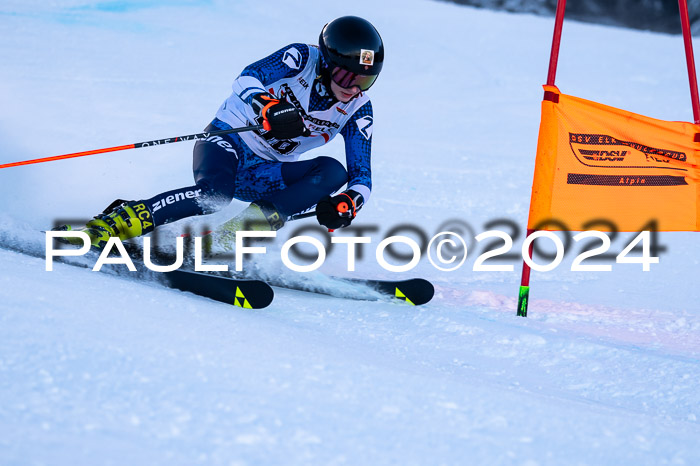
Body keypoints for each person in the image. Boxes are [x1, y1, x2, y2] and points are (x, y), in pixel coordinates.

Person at [68, 16, 384, 250]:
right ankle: (110, 226)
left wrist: (348, 203)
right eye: (345, 75)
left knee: (332, 171)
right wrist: (268, 106)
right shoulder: (301, 58)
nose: (353, 88)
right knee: (214, 196)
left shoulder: (358, 110)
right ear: (326, 64)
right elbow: (247, 78)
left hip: (265, 173)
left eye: (365, 80)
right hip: (227, 141)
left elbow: (362, 177)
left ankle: (230, 236)